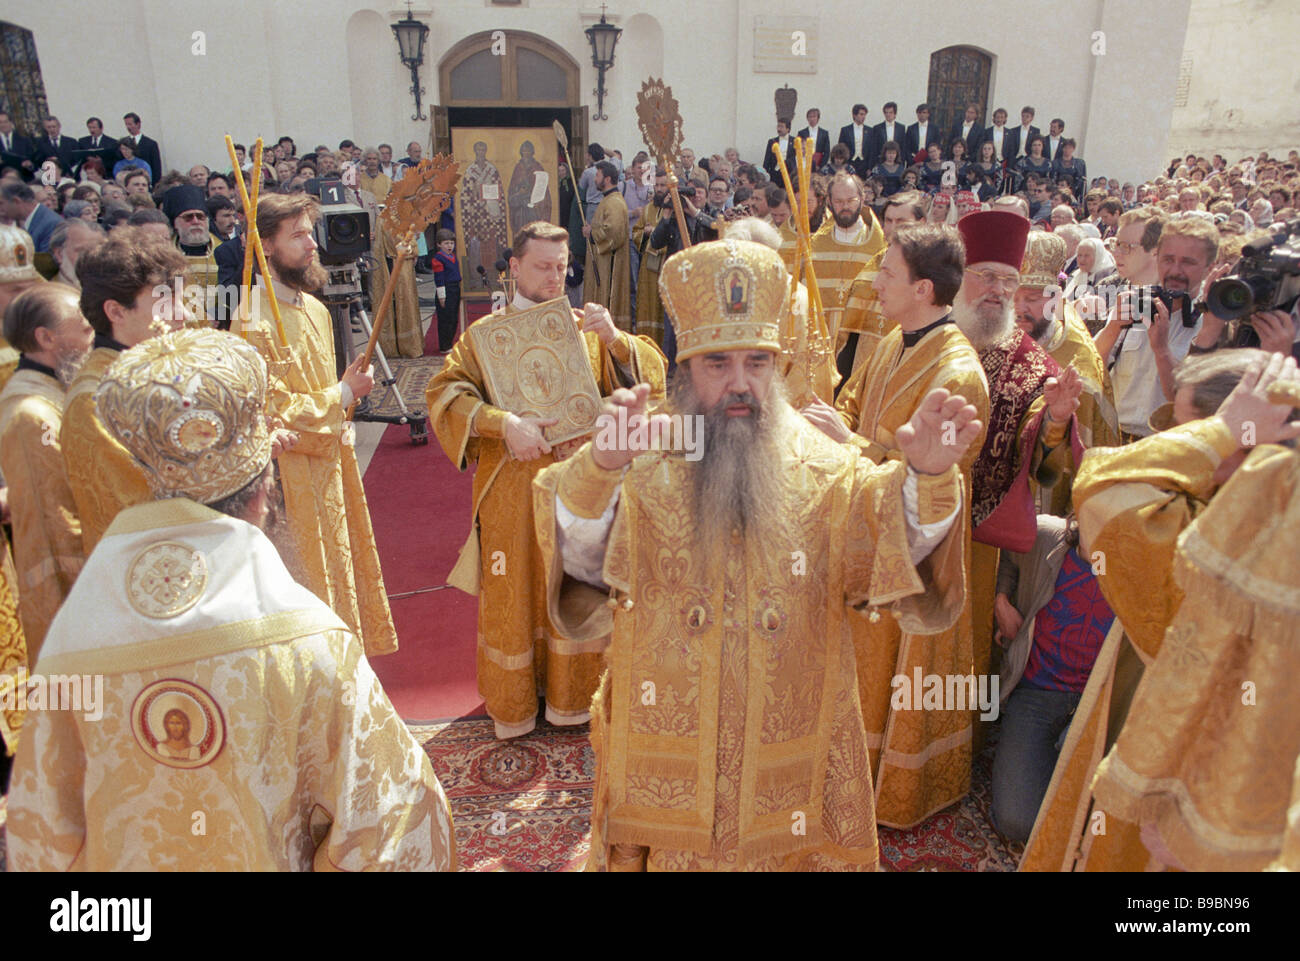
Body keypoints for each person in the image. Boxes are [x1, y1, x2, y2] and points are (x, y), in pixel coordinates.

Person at [532, 238, 983, 870]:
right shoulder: (643, 456)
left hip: (794, 756)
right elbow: (582, 564)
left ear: (778, 365)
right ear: (684, 369)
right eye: (718, 363)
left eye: (758, 362)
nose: (740, 384)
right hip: (670, 751)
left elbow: (882, 550)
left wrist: (927, 482)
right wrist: (601, 468)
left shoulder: (826, 466)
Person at [5, 327, 457, 871]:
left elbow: (38, 836)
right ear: (264, 490)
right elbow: (395, 830)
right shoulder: (308, 637)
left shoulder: (72, 637)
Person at [1022, 349, 1299, 871]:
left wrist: (1223, 431)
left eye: (1189, 430)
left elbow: (1102, 490)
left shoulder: (1210, 541)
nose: (1168, 447)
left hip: (1194, 766)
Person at [427, 220, 666, 739]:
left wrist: (617, 340)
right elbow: (444, 394)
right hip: (511, 486)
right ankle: (517, 702)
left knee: (575, 581)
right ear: (514, 268)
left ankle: (573, 697)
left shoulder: (586, 330)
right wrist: (503, 424)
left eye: (562, 267)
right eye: (542, 266)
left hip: (579, 486)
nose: (556, 277)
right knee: (517, 587)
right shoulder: (482, 338)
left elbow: (650, 381)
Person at [808, 224, 990, 827]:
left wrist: (851, 441)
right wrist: (829, 415)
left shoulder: (959, 373)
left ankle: (887, 788)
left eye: (887, 273)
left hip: (914, 540)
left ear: (924, 288)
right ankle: (842, 767)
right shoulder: (893, 338)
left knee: (893, 653)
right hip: (865, 518)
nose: (874, 282)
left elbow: (936, 479)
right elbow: (855, 401)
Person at [235, 193, 399, 659]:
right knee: (305, 581)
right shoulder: (252, 320)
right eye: (298, 235)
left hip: (330, 466)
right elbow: (270, 412)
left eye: (311, 232)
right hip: (289, 479)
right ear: (266, 246)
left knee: (339, 570)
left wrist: (342, 402)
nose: (312, 244)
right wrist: (343, 396)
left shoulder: (315, 309)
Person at [952, 210, 1082, 692]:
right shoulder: (923, 334)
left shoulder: (1032, 364)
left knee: (961, 655)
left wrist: (1056, 421)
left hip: (976, 539)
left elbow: (1044, 467)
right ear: (958, 277)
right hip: (903, 512)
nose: (999, 290)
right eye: (986, 276)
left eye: (1009, 280)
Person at [990, 512, 1115, 844]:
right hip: (1037, 694)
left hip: (1100, 704)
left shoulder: (1145, 567)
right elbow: (1007, 554)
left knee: (1108, 828)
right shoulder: (1045, 535)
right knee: (1017, 822)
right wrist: (1002, 601)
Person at [61, 228, 186, 553]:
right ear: (116, 311)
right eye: (164, 302)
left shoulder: (156, 366)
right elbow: (140, 511)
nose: (183, 315)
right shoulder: (96, 399)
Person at [0, 284, 93, 658]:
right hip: (65, 594)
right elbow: (56, 528)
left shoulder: (54, 390)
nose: (92, 339)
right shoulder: (31, 414)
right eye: (84, 328)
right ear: (46, 337)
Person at [1015, 231, 1120, 515]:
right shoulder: (996, 335)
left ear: (1055, 299)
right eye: (1013, 296)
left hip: (1046, 504)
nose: (1019, 309)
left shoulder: (1078, 364)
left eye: (1032, 298)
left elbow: (1084, 449)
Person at [1096, 215, 1215, 440]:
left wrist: (1161, 350)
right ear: (1157, 257)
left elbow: (1189, 401)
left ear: (1209, 267)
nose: (1176, 270)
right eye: (1168, 260)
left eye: (1188, 262)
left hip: (1166, 446)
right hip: (1116, 438)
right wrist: (1113, 328)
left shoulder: (1211, 322)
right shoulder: (1136, 302)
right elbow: (1091, 364)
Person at [836, 190, 928, 377]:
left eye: (901, 222)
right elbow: (852, 333)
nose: (893, 228)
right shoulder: (872, 267)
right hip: (865, 367)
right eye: (888, 221)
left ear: (922, 223)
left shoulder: (930, 271)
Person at [582, 160, 632, 331]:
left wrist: (592, 233)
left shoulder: (614, 203)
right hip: (601, 264)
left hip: (609, 267)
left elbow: (614, 234)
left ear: (608, 178)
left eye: (598, 175)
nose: (595, 179)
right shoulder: (608, 200)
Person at [1, 180, 62, 253]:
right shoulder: (33, 221)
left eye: (1, 203)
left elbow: (46, 263)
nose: (1, 209)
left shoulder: (51, 224)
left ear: (16, 201)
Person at [48, 218, 104, 290]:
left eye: (100, 252)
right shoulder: (48, 297)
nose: (94, 258)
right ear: (59, 254)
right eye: (84, 252)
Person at [431, 228, 461, 354]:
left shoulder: (452, 256)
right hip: (446, 290)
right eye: (446, 243)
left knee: (454, 317)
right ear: (439, 244)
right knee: (445, 318)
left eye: (451, 243)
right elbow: (439, 279)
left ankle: (450, 341)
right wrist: (441, 296)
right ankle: (444, 345)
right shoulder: (438, 258)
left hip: (455, 289)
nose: (450, 246)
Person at [122, 112, 161, 185]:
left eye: (130, 124)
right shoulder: (123, 144)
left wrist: (155, 185)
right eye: (126, 124)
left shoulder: (151, 144)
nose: (128, 127)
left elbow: (156, 167)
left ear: (138, 124)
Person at [838, 103, 874, 179]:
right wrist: (844, 165)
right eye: (861, 114)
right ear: (854, 115)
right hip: (850, 163)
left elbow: (872, 150)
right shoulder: (845, 130)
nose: (863, 117)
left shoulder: (870, 131)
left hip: (864, 164)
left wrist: (870, 167)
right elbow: (841, 150)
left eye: (864, 115)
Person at [762, 118, 797, 184]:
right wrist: (765, 173)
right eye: (778, 126)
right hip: (775, 172)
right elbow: (767, 159)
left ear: (788, 129)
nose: (779, 129)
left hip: (789, 173)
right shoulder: (772, 141)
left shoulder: (794, 141)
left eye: (782, 127)